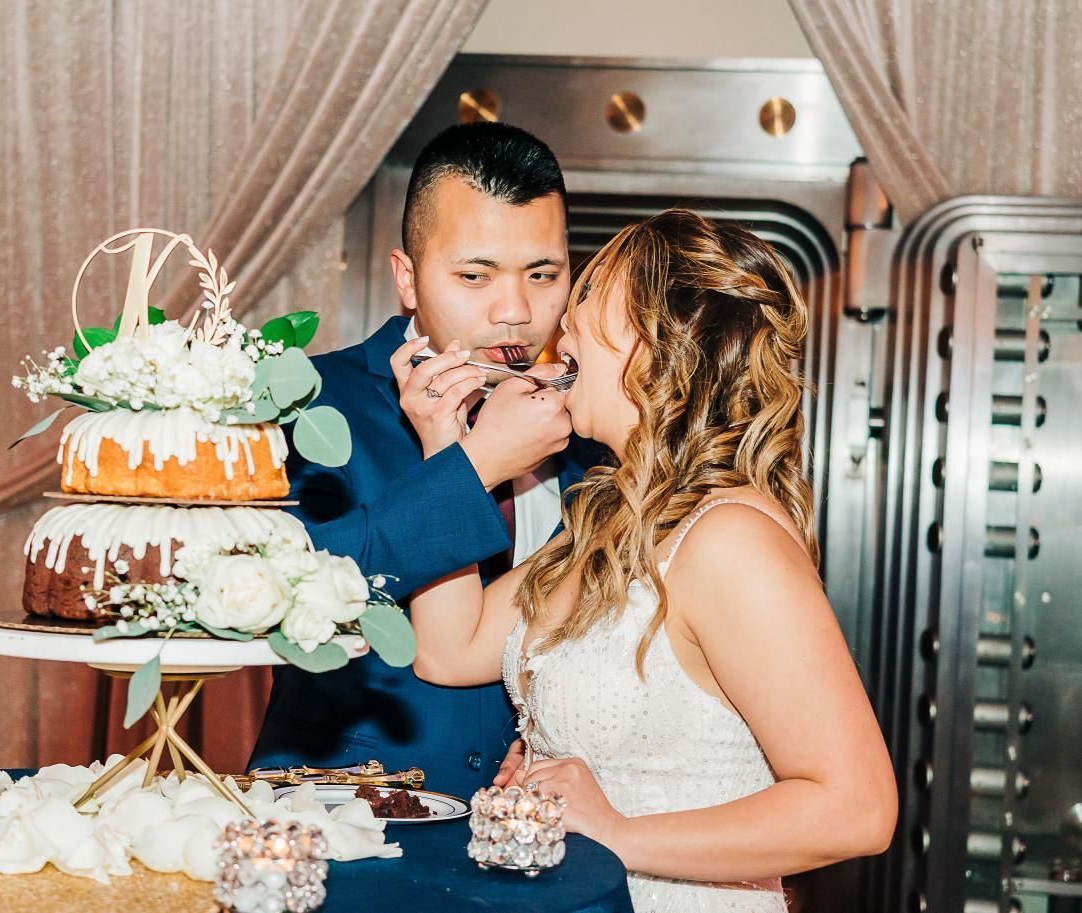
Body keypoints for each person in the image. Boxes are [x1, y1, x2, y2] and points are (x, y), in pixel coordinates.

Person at [399, 209, 898, 911]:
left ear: (656, 340)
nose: (561, 323)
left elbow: (856, 808)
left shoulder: (729, 538)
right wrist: (449, 453)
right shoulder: (608, 523)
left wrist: (617, 833)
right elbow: (447, 650)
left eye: (592, 295)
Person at [249, 122, 595, 800]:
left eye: (542, 274)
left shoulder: (599, 423)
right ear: (407, 278)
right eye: (474, 275)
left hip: (542, 833)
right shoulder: (308, 402)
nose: (516, 310)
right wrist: (473, 469)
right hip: (340, 818)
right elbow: (267, 583)